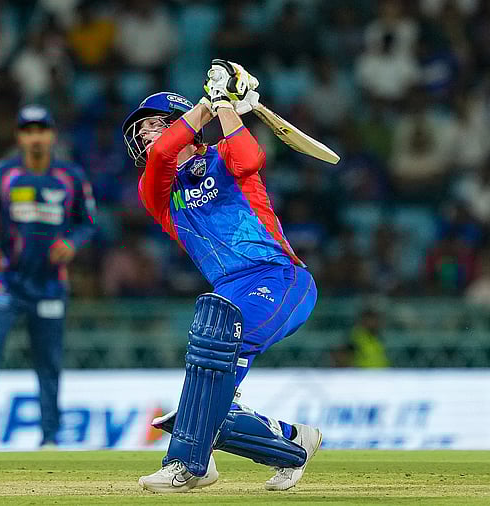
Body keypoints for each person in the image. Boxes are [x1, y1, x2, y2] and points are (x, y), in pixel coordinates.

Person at [121, 60, 321, 493]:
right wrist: (210, 103)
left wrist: (225, 106)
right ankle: (291, 443)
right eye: (139, 131)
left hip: (280, 277)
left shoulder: (224, 160)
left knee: (205, 380)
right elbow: (160, 154)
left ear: (179, 126)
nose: (142, 136)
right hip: (228, 293)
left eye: (151, 125)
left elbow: (252, 156)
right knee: (210, 395)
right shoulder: (157, 190)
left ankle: (187, 462)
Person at [0, 105, 97, 450]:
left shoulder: (71, 176)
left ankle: (50, 436)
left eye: (42, 130)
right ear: (19, 137)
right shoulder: (2, 174)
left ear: (52, 135)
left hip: (51, 285)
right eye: (28, 131)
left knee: (48, 362)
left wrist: (71, 243)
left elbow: (88, 222)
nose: (35, 137)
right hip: (7, 282)